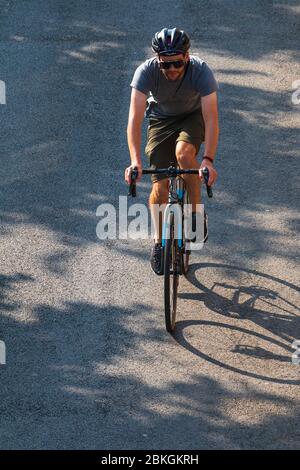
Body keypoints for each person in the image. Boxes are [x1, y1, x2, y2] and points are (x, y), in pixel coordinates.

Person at [125, 27, 219, 274]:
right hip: (160, 120)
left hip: (192, 117)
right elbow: (134, 120)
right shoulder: (145, 72)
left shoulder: (201, 71)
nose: (172, 69)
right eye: (165, 65)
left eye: (177, 63)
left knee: (184, 154)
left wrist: (208, 160)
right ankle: (159, 242)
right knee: (160, 186)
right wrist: (135, 161)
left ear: (187, 56)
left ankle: (196, 213)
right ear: (158, 60)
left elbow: (211, 119)